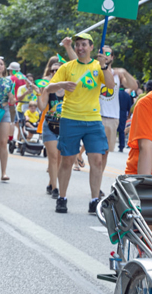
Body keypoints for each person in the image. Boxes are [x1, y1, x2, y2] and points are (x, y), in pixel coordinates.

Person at [45, 32, 115, 214]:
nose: (81, 47)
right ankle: (62, 197)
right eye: (78, 45)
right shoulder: (68, 66)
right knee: (67, 160)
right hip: (70, 118)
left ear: (91, 47)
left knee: (97, 160)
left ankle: (94, 200)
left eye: (84, 44)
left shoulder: (99, 66)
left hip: (93, 120)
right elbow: (48, 87)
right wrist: (63, 84)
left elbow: (110, 86)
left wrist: (105, 65)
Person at [99, 45, 138, 181]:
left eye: (108, 53)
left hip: (112, 118)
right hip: (95, 116)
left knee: (104, 154)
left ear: (112, 57)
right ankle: (79, 158)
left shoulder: (117, 75)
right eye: (102, 53)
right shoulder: (94, 70)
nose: (105, 55)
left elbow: (133, 86)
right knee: (95, 154)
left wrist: (124, 72)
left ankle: (97, 182)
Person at [37, 56, 65, 197]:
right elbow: (42, 107)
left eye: (58, 70)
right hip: (49, 124)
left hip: (65, 126)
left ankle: (50, 183)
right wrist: (38, 94)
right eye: (53, 70)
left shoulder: (69, 88)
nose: (54, 73)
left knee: (60, 158)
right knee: (53, 157)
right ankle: (55, 188)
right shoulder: (48, 89)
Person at [118, 86, 133, 152]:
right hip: (123, 114)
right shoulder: (127, 95)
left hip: (115, 112)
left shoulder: (117, 94)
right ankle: (121, 146)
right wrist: (128, 116)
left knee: (114, 129)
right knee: (122, 130)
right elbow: (129, 107)